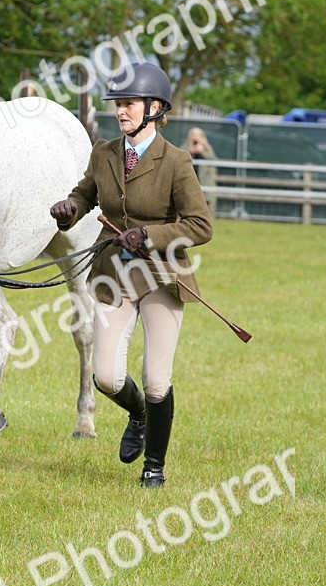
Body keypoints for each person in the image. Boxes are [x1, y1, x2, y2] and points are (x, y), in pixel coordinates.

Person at [49, 63, 212, 488]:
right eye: (117, 105)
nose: (120, 113)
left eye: (128, 105)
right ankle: (137, 413)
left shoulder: (176, 162)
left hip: (161, 277)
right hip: (114, 275)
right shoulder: (103, 152)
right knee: (106, 377)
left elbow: (200, 225)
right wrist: (70, 209)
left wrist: (151, 234)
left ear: (155, 108)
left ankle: (154, 466)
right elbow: (86, 193)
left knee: (158, 380)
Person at [184, 127, 218, 214]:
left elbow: (213, 161)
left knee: (207, 208)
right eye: (193, 136)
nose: (195, 138)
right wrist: (189, 151)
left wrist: (202, 152)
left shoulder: (207, 148)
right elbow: (179, 157)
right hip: (189, 182)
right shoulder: (185, 147)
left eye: (197, 136)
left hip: (204, 182)